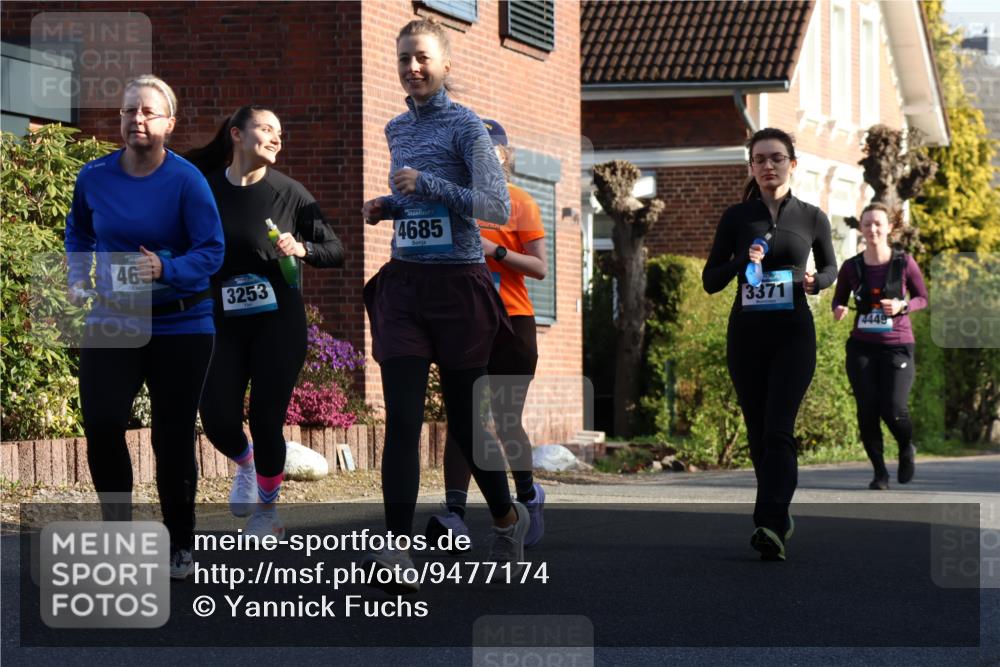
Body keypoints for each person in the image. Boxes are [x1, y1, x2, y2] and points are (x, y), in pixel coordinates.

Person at [361, 18, 529, 593]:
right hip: (406, 285)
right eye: (404, 58)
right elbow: (415, 202)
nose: (412, 68)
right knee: (403, 421)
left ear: (445, 64)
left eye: (423, 58)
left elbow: (496, 207)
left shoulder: (467, 126)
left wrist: (428, 185)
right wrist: (387, 206)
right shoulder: (396, 127)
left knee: (465, 422)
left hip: (459, 288)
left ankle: (506, 518)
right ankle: (395, 548)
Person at [65, 74, 225, 579]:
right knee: (102, 422)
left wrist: (165, 268)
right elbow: (79, 232)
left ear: (169, 124)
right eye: (129, 110)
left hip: (182, 322)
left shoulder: (187, 181)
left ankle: (180, 541)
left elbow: (212, 252)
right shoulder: (94, 177)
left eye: (148, 111)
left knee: (171, 436)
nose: (137, 118)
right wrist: (77, 276)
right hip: (114, 317)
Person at [186, 106, 344, 538]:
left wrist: (302, 249)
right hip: (223, 323)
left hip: (278, 324)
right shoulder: (204, 190)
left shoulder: (290, 193)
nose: (277, 138)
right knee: (217, 419)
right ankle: (246, 463)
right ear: (237, 134)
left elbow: (335, 250)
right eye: (267, 129)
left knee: (265, 419)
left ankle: (267, 511)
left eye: (280, 132)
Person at [702, 127, 837, 561]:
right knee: (759, 434)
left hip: (794, 334)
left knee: (779, 430)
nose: (768, 166)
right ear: (751, 167)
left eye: (776, 158)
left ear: (792, 164)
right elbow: (710, 280)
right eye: (759, 159)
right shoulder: (736, 219)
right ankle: (777, 515)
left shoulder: (812, 217)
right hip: (747, 336)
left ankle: (769, 522)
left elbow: (831, 268)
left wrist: (817, 282)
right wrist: (742, 261)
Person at [426, 119, 548, 551]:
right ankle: (454, 514)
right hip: (464, 322)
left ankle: (528, 496)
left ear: (504, 155)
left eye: (488, 151)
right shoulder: (451, 201)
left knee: (504, 419)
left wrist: (494, 249)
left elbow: (539, 268)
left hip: (512, 322)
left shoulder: (520, 202)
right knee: (465, 419)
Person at [832, 203, 927, 489]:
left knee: (893, 407)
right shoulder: (852, 266)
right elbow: (838, 298)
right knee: (867, 409)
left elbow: (922, 298)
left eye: (878, 224)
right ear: (861, 228)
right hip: (862, 346)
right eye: (867, 224)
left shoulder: (904, 262)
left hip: (897, 345)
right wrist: (838, 309)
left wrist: (902, 306)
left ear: (889, 228)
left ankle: (906, 446)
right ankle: (879, 473)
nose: (872, 229)